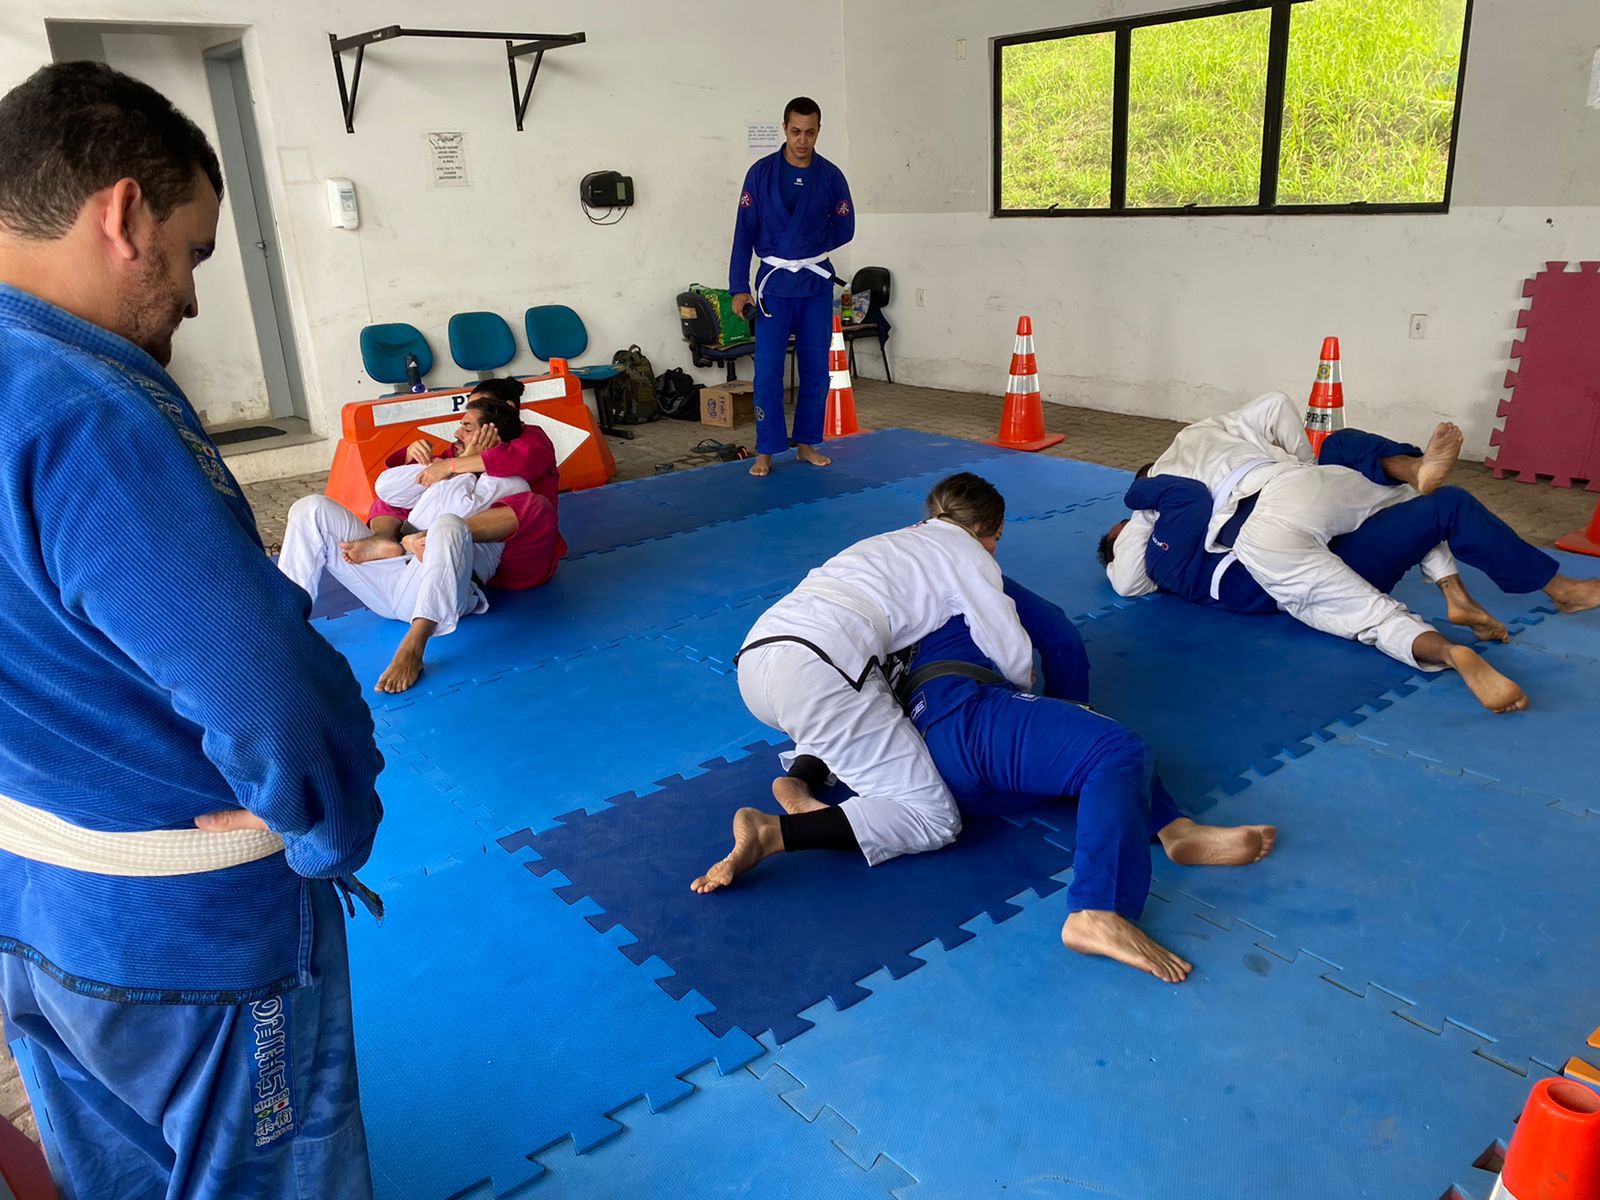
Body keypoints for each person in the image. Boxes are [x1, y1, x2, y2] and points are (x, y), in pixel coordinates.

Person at [0, 62, 383, 1199]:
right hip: (188, 929)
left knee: (114, 1173)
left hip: (31, 898)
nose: (195, 298)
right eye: (195, 251)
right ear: (124, 215)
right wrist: (324, 825)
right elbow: (266, 688)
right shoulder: (84, 413)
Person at [696, 577, 1274, 982]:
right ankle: (1097, 907)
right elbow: (1061, 639)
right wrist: (1069, 710)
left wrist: (802, 776)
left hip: (930, 768)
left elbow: (837, 713)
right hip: (965, 716)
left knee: (1084, 766)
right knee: (1114, 748)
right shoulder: (968, 576)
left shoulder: (855, 612)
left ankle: (1173, 830)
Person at [1103, 393, 1600, 712]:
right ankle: (1525, 585)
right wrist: (1303, 464)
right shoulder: (1202, 438)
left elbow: (1133, 572)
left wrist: (1139, 502)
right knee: (1427, 496)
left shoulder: (1164, 511)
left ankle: (1450, 651)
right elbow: (1276, 403)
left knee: (1372, 617)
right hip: (1309, 500)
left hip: (1272, 535)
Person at [692, 473, 1032, 893]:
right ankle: (772, 833)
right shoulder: (968, 552)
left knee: (864, 695)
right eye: (997, 537)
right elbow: (1006, 640)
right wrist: (1024, 695)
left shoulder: (890, 542)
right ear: (981, 527)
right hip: (818, 671)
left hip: (757, 661)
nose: (995, 548)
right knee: (934, 818)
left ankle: (802, 776)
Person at [279, 380, 567, 694]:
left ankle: (414, 645)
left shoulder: (515, 477)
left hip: (438, 589)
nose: (456, 433)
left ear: (492, 432)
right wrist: (424, 461)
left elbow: (463, 509)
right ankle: (285, 619)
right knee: (312, 508)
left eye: (466, 427)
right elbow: (386, 489)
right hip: (392, 574)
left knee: (449, 525)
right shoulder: (451, 461)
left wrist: (459, 467)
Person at [729, 96, 854, 478]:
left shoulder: (830, 176)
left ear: (819, 131)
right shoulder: (761, 173)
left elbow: (846, 227)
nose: (802, 140)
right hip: (774, 288)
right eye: (796, 131)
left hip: (814, 284)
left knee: (816, 369)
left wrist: (809, 246)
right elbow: (744, 232)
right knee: (768, 371)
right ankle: (766, 449)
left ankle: (806, 444)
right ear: (785, 128)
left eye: (810, 132)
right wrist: (738, 287)